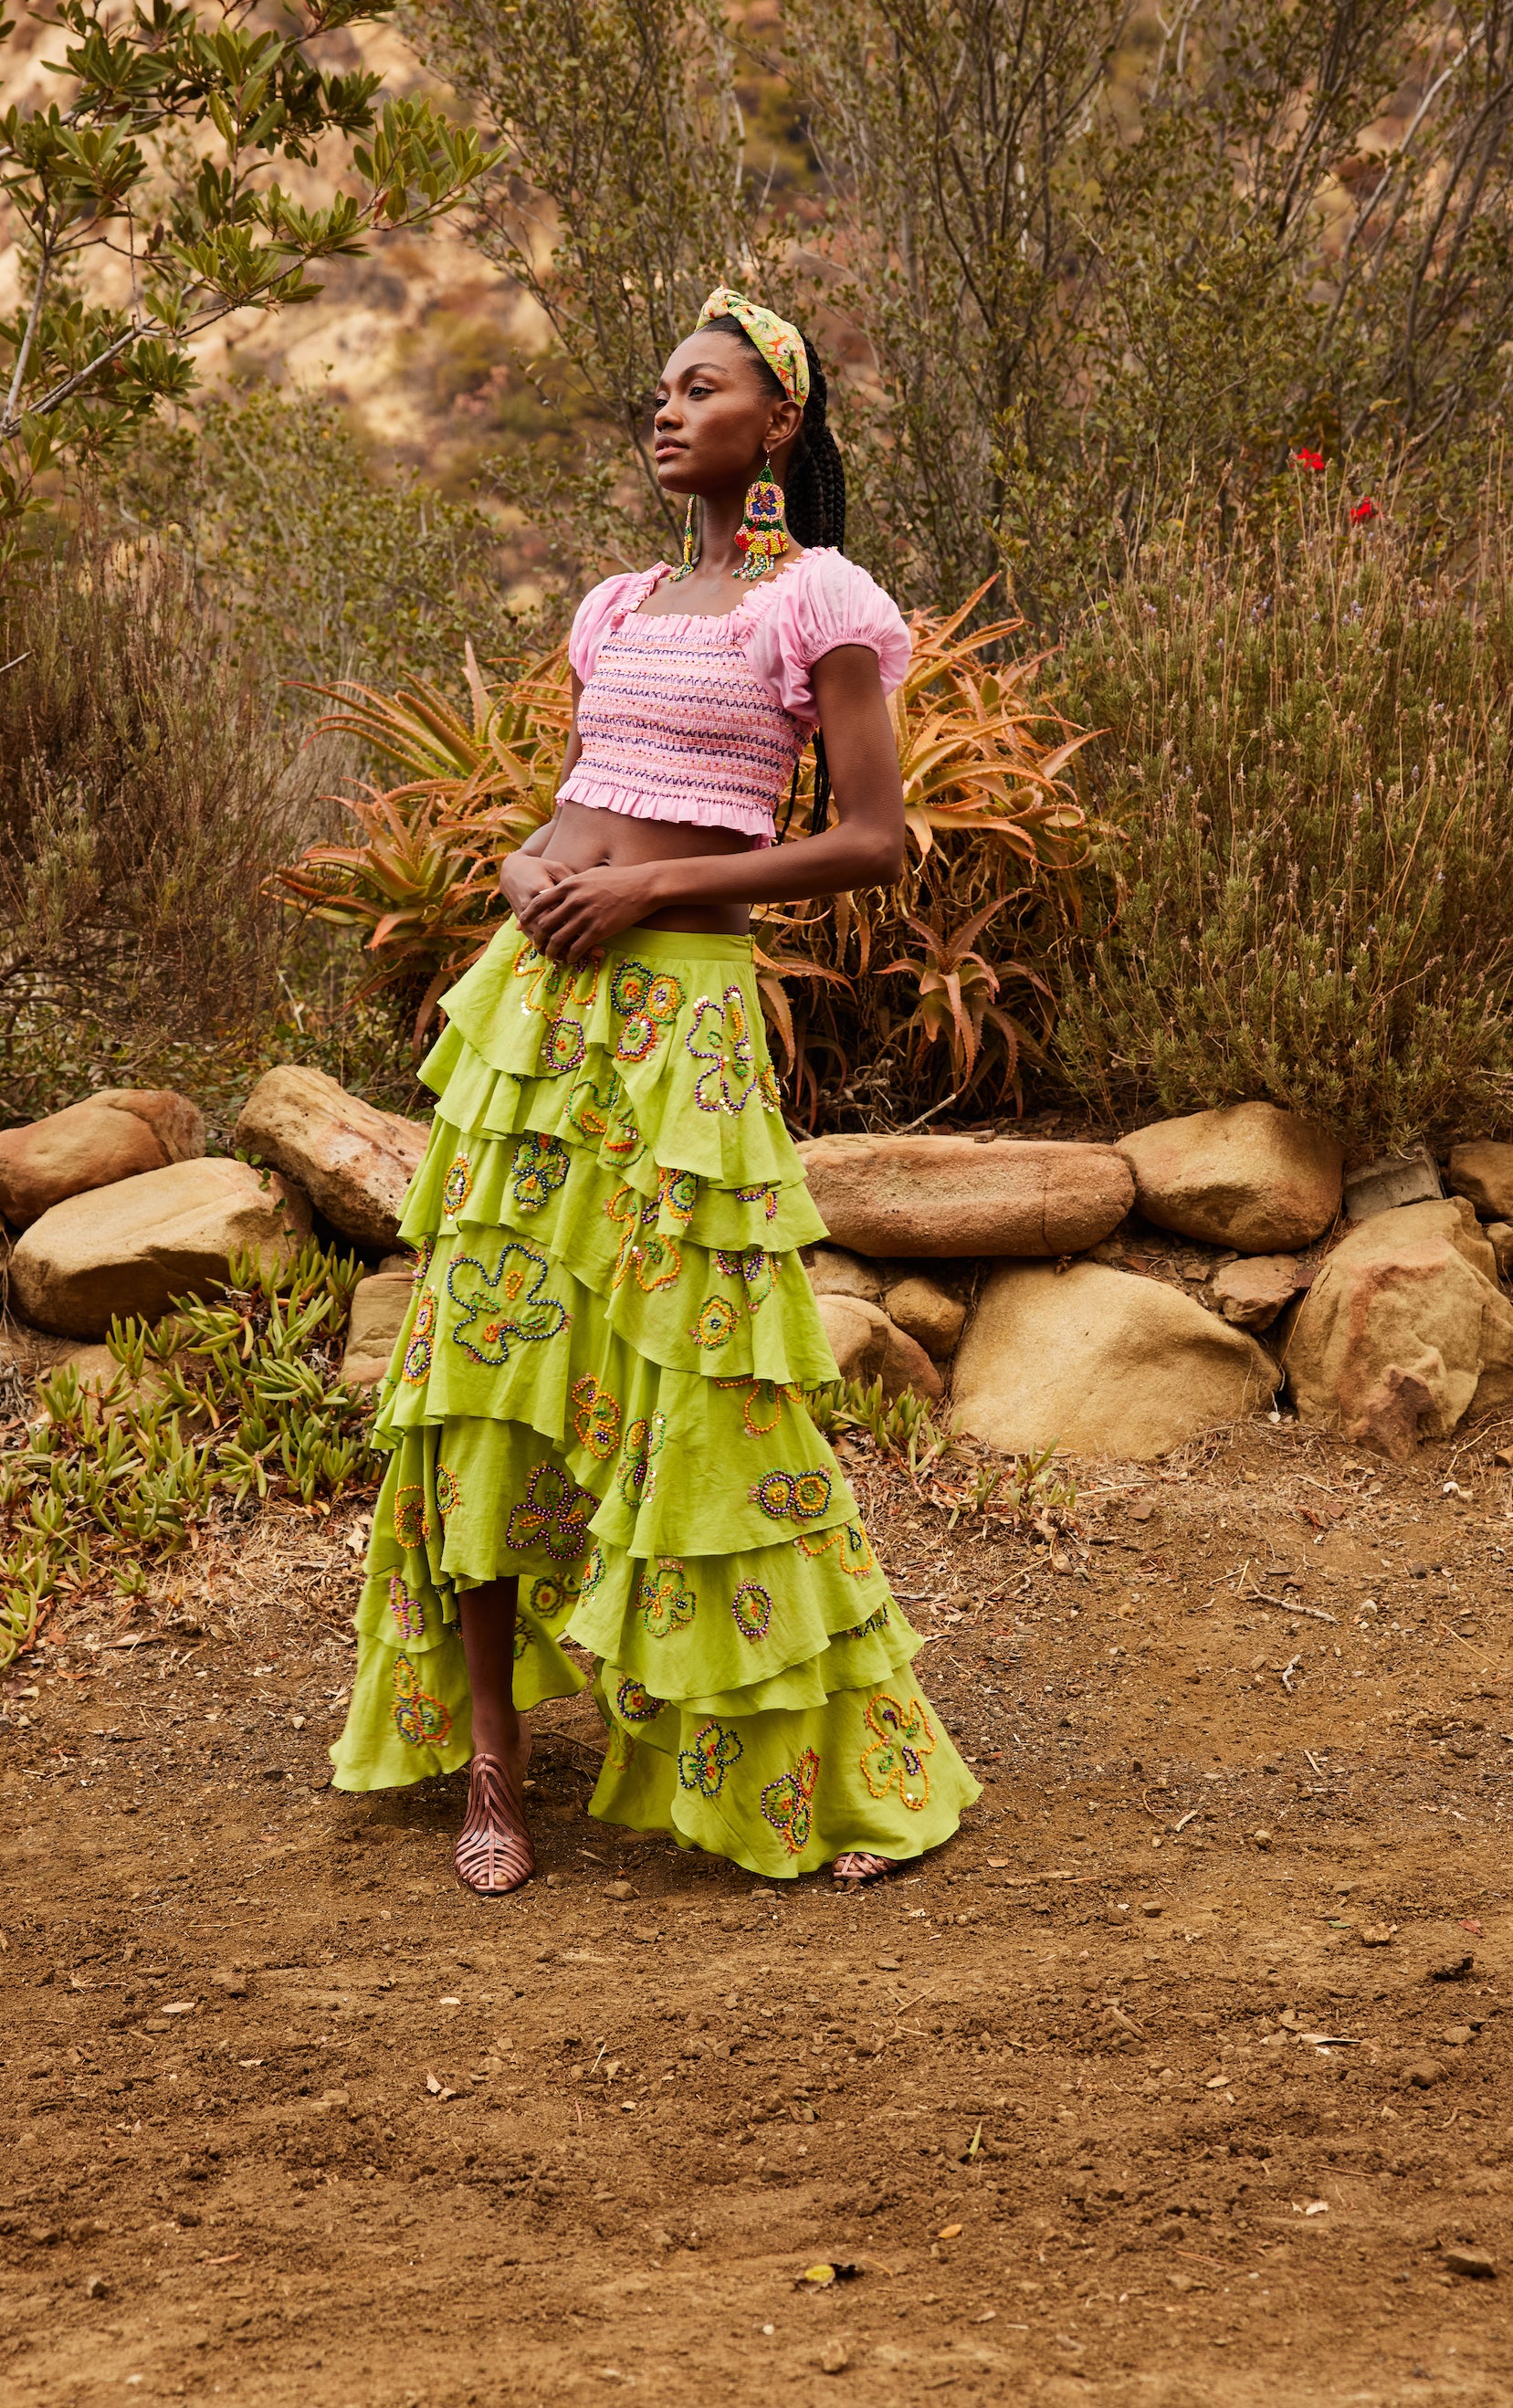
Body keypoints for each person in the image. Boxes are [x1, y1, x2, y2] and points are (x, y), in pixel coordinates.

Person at [328, 284, 981, 1895]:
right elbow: (574, 809)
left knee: (707, 1389)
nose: (670, 412)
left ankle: (798, 1757)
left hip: (678, 1031)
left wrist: (643, 901)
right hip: (539, 1025)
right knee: (486, 1367)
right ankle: (492, 1759)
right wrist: (526, 869)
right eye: (662, 392)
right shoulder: (614, 608)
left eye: (707, 391)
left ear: (782, 427)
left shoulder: (815, 600)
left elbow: (872, 840)